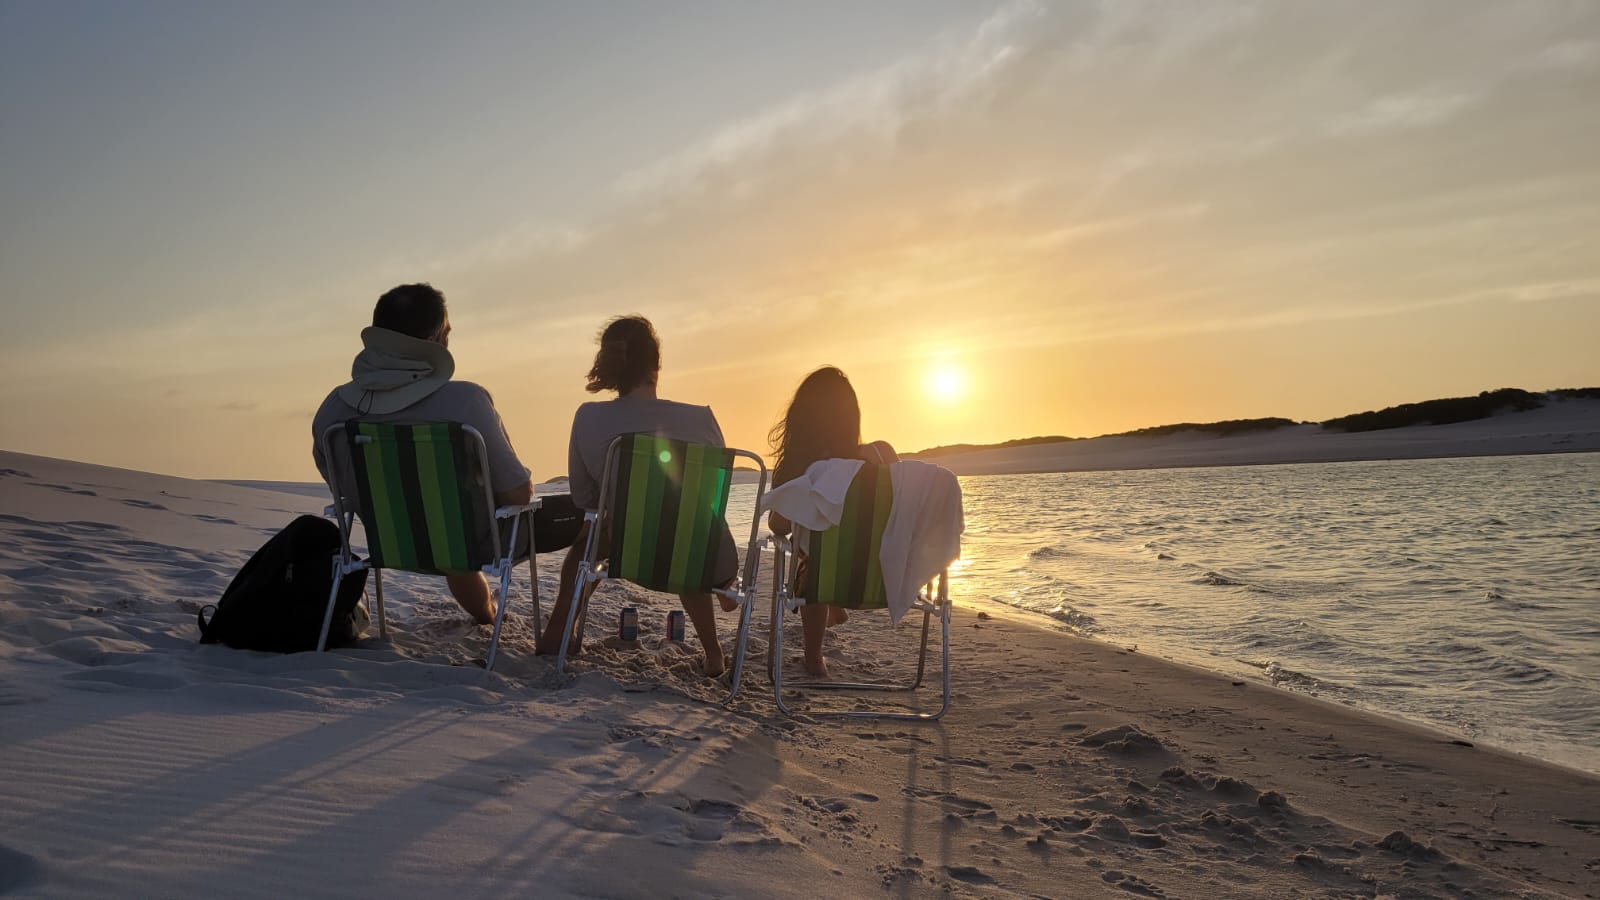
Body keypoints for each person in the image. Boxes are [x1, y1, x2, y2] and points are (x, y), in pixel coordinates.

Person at [311, 283, 534, 626]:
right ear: (435, 341)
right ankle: (501, 618)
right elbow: (518, 493)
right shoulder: (465, 402)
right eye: (446, 333)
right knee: (461, 532)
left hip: (390, 544)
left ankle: (486, 613)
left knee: (449, 535)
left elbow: (340, 489)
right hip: (468, 544)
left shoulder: (335, 410)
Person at [537, 315, 738, 677]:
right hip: (690, 546)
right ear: (656, 365)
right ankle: (714, 653)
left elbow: (585, 498)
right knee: (689, 536)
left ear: (609, 367)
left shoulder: (589, 418)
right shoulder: (701, 419)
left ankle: (558, 631)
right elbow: (712, 494)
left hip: (626, 540)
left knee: (591, 540)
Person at [766, 366, 899, 677]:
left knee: (815, 556)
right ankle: (833, 605)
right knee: (831, 547)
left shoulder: (802, 468)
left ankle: (814, 657)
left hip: (823, 577)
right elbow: (899, 509)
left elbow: (779, 526)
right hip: (882, 573)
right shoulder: (881, 454)